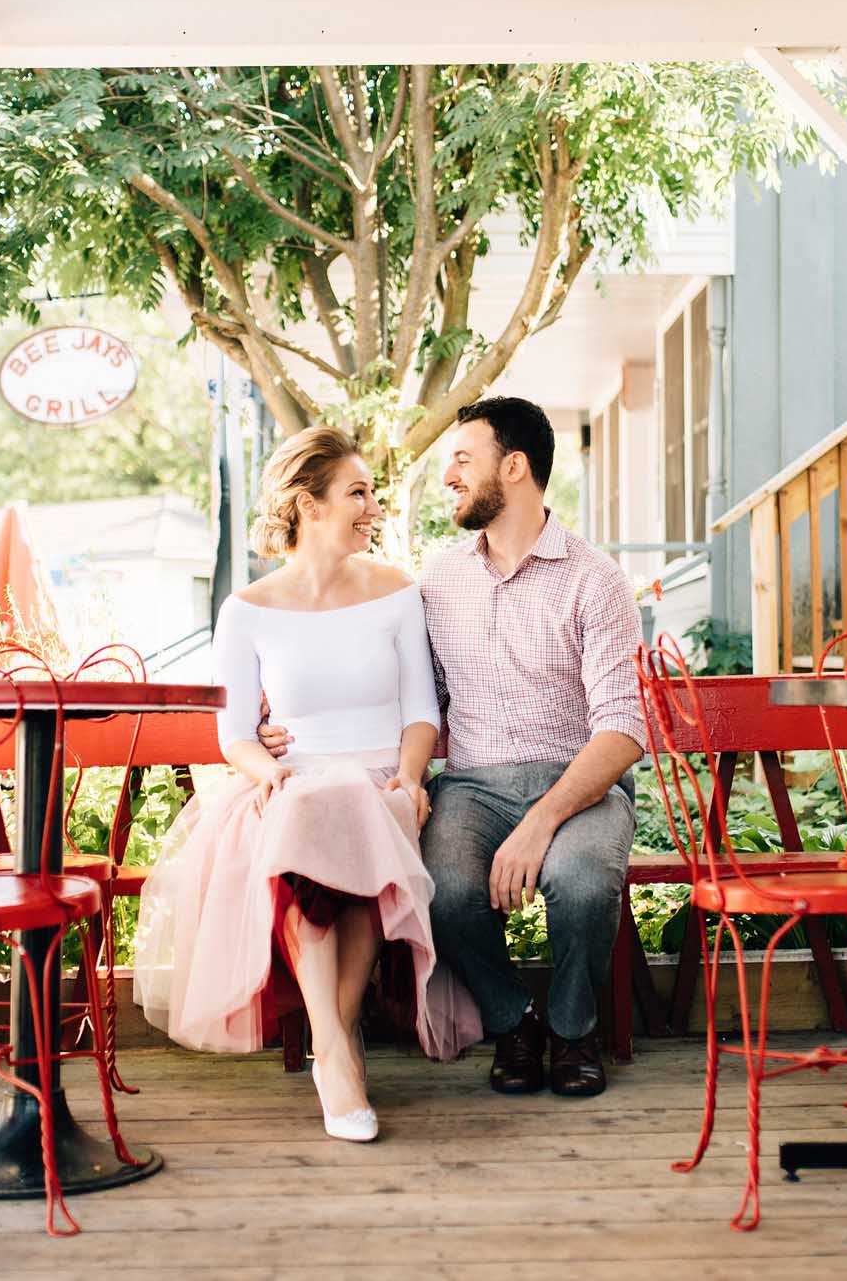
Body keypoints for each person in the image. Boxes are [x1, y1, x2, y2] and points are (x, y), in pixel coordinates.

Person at [263, 398, 645, 1099]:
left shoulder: (597, 579)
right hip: (472, 786)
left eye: (462, 460)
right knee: (441, 888)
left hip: (579, 781)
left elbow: (622, 728)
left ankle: (570, 1029)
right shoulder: (438, 581)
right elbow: (406, 695)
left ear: (516, 467)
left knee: (583, 882)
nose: (448, 476)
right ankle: (515, 1018)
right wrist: (284, 721)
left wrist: (541, 821)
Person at [134, 426, 480, 1144]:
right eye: (357, 493)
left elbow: (422, 711)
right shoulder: (248, 609)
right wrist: (273, 774)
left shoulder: (395, 592)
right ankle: (337, 1044)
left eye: (372, 494)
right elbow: (234, 734)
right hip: (292, 783)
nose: (373, 508)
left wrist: (411, 778)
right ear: (308, 504)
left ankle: (332, 1042)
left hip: (385, 781)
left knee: (356, 806)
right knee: (315, 814)